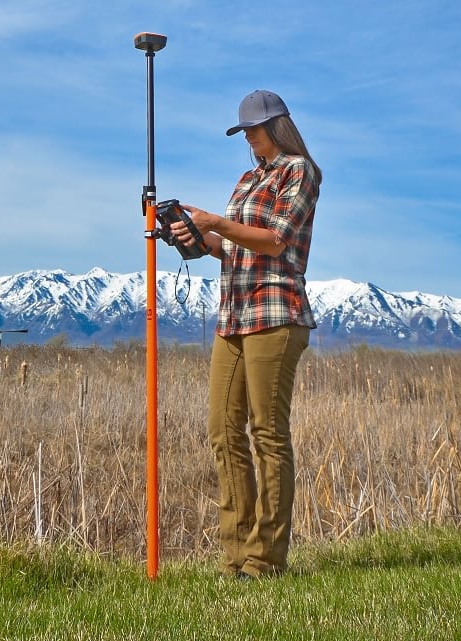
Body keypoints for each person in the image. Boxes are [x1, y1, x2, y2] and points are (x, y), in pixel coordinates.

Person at [170, 89, 322, 578]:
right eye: (244, 133)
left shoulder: (299, 170)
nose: (249, 139)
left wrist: (219, 223)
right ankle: (235, 555)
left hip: (275, 314)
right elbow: (231, 246)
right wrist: (196, 235)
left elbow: (275, 240)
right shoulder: (247, 179)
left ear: (277, 126)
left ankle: (266, 559)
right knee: (222, 430)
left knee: (268, 435)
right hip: (233, 317)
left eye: (254, 130)